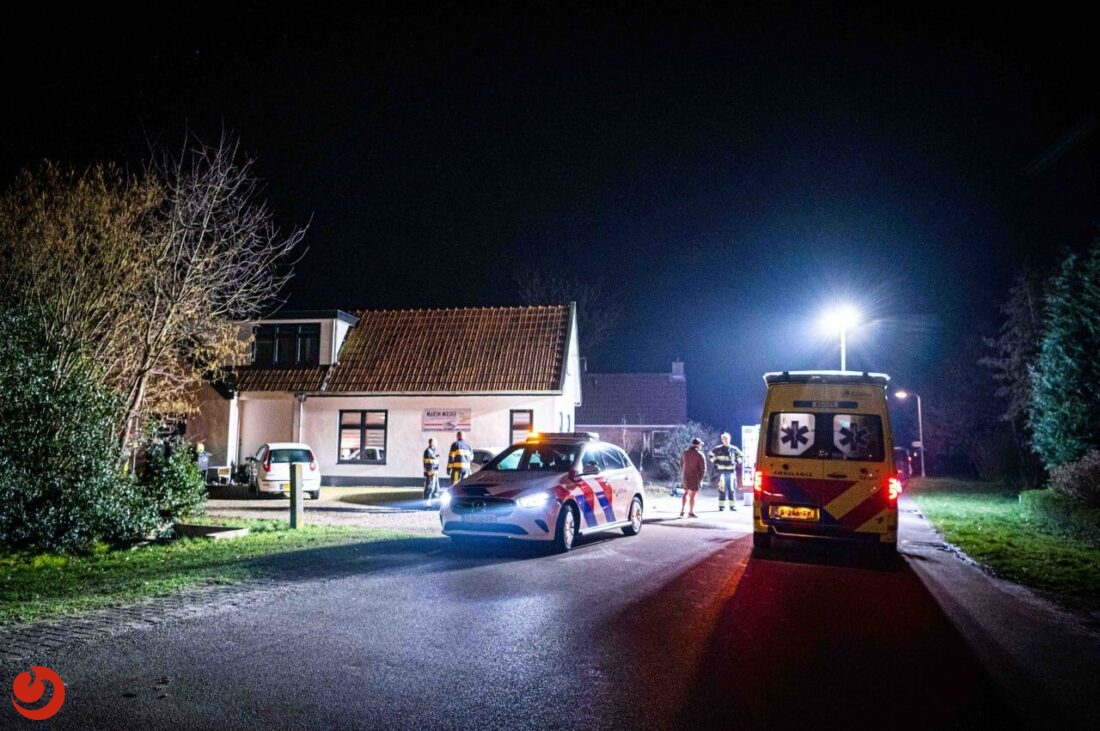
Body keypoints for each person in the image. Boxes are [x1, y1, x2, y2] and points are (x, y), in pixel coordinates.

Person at [708, 432, 740, 512]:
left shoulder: (734, 449)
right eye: (724, 439)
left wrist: (737, 461)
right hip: (721, 472)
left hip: (731, 472)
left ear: (730, 439)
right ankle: (721, 506)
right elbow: (710, 455)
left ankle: (732, 506)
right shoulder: (717, 449)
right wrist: (715, 461)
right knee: (722, 489)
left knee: (731, 489)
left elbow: (740, 456)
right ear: (722, 440)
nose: (726, 440)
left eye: (727, 439)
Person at [680, 437, 706, 518]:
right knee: (693, 495)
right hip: (695, 477)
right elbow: (703, 469)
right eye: (700, 445)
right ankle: (690, 512)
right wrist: (701, 479)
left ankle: (682, 509)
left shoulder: (685, 453)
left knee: (685, 493)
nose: (701, 446)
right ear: (698, 445)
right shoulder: (700, 455)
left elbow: (681, 464)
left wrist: (684, 472)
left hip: (685, 476)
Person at [423, 437, 441, 508]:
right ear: (432, 443)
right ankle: (427, 504)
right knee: (430, 488)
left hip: (434, 473)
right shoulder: (428, 451)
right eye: (436, 443)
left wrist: (436, 457)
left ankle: (434, 504)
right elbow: (429, 463)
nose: (437, 444)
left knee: (436, 489)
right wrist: (436, 458)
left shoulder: (431, 451)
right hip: (431, 473)